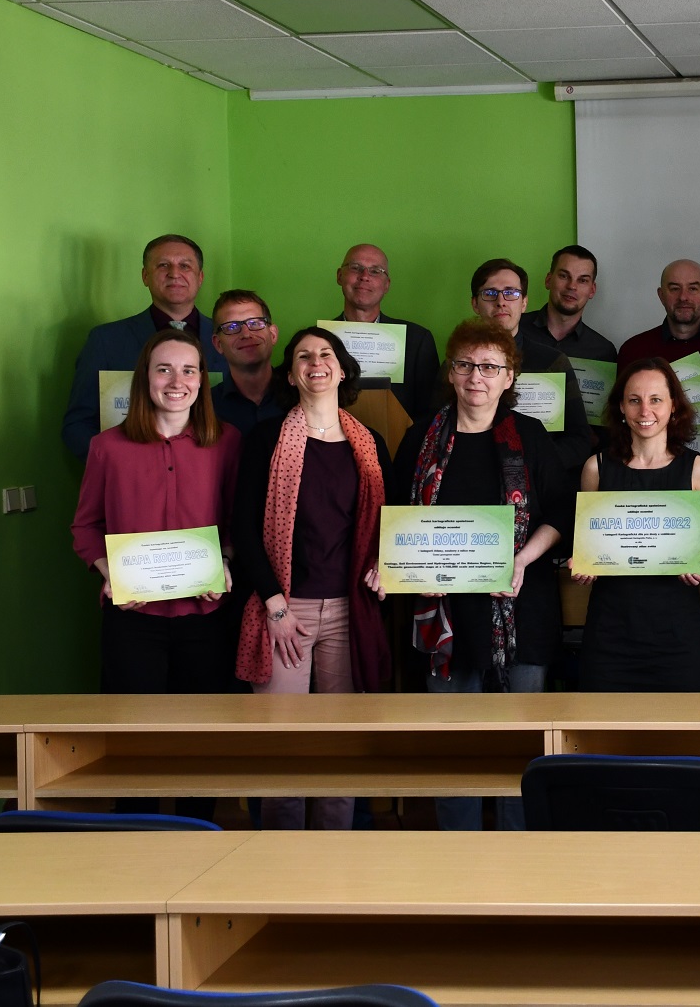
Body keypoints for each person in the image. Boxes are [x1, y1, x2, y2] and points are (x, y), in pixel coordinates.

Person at [380, 319, 571, 829]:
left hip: (519, 610)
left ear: (509, 376)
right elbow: (394, 517)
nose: (476, 377)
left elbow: (561, 514)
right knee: (454, 743)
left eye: (489, 366)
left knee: (521, 742)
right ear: (451, 372)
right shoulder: (421, 437)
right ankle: (458, 848)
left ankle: (518, 847)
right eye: (465, 364)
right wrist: (410, 567)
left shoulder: (529, 436)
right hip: (443, 615)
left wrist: (522, 559)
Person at [234, 327, 390, 830]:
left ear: (342, 370)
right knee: (284, 749)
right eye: (303, 356)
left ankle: (332, 861)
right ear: (291, 374)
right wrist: (274, 605)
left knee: (339, 748)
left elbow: (388, 526)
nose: (315, 362)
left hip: (348, 611)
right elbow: (244, 529)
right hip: (285, 610)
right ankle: (280, 862)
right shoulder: (266, 440)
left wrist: (387, 565)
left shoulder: (371, 444)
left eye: (326, 354)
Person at [71, 328, 239, 708]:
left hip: (205, 614)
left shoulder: (227, 443)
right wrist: (111, 575)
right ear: (145, 377)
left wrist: (225, 564)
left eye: (188, 370)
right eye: (164, 369)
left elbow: (236, 520)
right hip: (133, 619)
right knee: (132, 727)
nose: (177, 382)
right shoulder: (106, 448)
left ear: (201, 380)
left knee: (203, 726)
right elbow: (85, 526)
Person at [571, 357, 700, 692]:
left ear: (673, 406)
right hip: (610, 630)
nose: (645, 411)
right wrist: (585, 560)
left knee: (680, 724)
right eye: (634, 400)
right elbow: (589, 541)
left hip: (677, 632)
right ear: (621, 407)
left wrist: (696, 552)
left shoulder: (699, 470)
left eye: (656, 399)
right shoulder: (596, 469)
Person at [63, 234, 229, 459]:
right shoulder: (105, 340)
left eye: (185, 266)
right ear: (145, 276)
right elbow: (77, 426)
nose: (174, 273)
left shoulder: (229, 338)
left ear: (200, 277)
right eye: (163, 265)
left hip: (210, 474)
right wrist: (121, 465)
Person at [470, 258, 594, 477]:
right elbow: (437, 428)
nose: (501, 301)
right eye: (490, 293)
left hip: (539, 482)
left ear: (524, 303)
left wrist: (537, 462)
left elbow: (580, 439)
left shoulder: (553, 362)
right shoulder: (459, 365)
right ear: (475, 304)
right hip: (475, 475)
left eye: (511, 293)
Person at [331, 243, 440, 422]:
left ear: (387, 284)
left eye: (375, 271)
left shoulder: (417, 340)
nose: (364, 276)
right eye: (355, 267)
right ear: (339, 276)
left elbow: (429, 412)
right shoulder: (315, 340)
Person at [616, 259, 700, 389]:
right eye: (675, 289)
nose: (683, 297)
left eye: (693, 289)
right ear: (661, 295)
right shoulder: (633, 351)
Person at [521, 244, 617, 363]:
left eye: (582, 280)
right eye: (564, 276)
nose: (572, 286)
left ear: (592, 290)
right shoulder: (513, 331)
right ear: (548, 280)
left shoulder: (604, 352)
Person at [209, 289, 285, 434]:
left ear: (273, 334)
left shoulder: (302, 396)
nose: (246, 334)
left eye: (255, 323)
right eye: (232, 327)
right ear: (218, 344)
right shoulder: (205, 407)